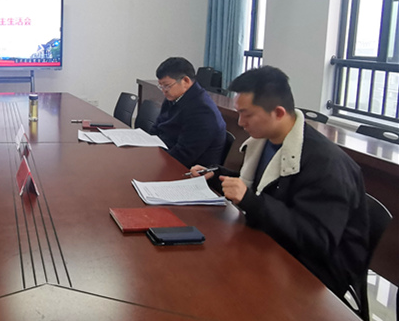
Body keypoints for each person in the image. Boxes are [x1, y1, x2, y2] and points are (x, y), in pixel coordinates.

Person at [190, 66, 369, 298]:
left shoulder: (326, 164)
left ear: (278, 113)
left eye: (247, 114)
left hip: (315, 273)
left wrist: (250, 201)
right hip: (274, 241)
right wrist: (217, 175)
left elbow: (316, 240)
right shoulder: (268, 140)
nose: (241, 122)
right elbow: (266, 187)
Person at [149, 57, 227, 167]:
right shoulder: (174, 98)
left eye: (166, 86)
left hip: (189, 170)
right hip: (166, 156)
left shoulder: (203, 111)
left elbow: (183, 155)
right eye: (161, 86)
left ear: (186, 81)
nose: (163, 91)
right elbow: (156, 128)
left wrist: (153, 161)